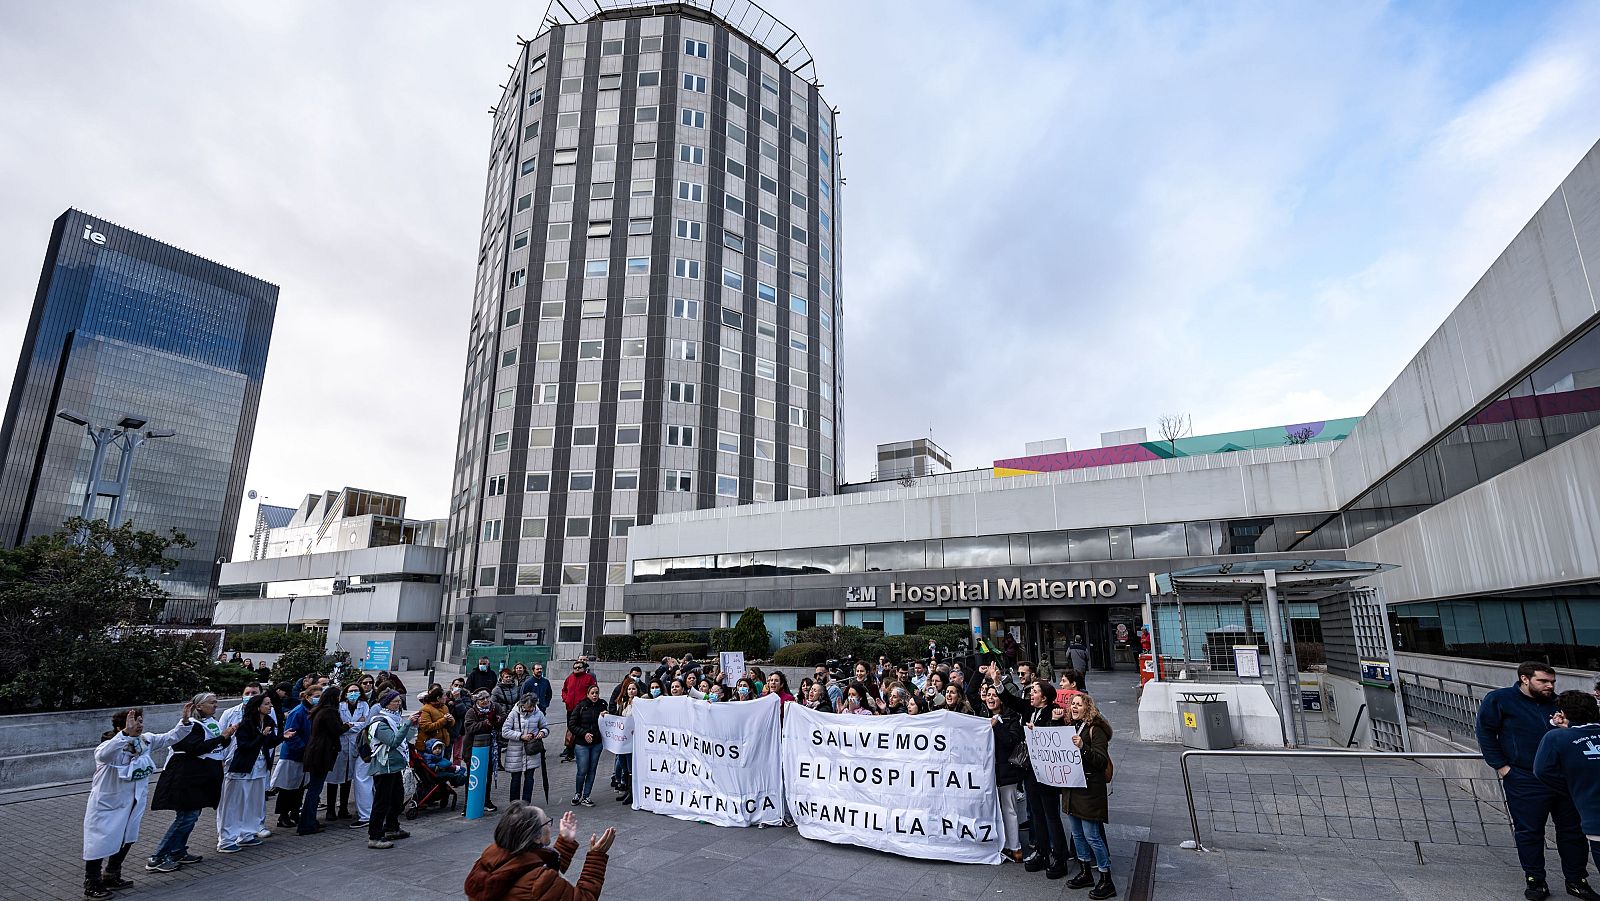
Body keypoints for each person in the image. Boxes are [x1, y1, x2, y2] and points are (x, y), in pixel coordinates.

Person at [1476, 662, 1594, 901]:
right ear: (1525, 679)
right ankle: (1536, 880)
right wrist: (1502, 767)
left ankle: (1576, 881)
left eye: (1552, 682)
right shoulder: (1500, 699)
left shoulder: (1558, 702)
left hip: (1563, 780)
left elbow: (1579, 730)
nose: (1550, 686)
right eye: (1543, 681)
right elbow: (1485, 732)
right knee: (1529, 832)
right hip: (1524, 778)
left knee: (1573, 832)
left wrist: (1566, 724)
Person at [82, 708, 190, 898]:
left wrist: (185, 722)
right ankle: (92, 882)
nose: (139, 725)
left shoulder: (145, 741)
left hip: (133, 802)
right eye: (134, 722)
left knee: (127, 838)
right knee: (100, 842)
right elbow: (104, 756)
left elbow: (170, 737)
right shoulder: (109, 745)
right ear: (120, 727)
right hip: (108, 803)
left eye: (140, 721)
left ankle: (112, 873)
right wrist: (125, 734)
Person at [149, 693, 237, 871]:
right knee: (186, 817)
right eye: (212, 703)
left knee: (191, 816)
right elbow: (195, 748)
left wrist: (226, 737)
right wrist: (222, 737)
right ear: (199, 706)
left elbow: (216, 746)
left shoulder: (210, 723)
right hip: (186, 777)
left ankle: (177, 851)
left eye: (216, 702)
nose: (215, 706)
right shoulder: (190, 726)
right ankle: (157, 857)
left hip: (200, 776)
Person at [463, 805, 613, 901]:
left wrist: (565, 843)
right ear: (536, 837)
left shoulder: (488, 860)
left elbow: (536, 870)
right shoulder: (538, 881)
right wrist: (596, 857)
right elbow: (584, 898)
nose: (550, 825)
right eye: (547, 822)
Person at [1005, 679, 1072, 879]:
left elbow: (1057, 739)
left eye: (1034, 691)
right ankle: (1042, 852)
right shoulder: (1029, 709)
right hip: (1031, 773)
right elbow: (1010, 700)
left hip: (1048, 774)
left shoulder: (1054, 711)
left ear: (1044, 697)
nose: (1031, 695)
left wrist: (1047, 725)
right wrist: (998, 683)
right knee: (1037, 814)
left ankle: (1059, 856)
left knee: (1051, 816)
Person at [1536, 691, 1600, 884]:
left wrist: (1572, 788)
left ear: (1563, 713)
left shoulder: (1556, 738)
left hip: (1594, 817)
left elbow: (1542, 771)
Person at [1063, 693, 1117, 898]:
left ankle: (1106, 878)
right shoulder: (1072, 726)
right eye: (1072, 704)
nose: (1074, 707)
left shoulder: (1096, 730)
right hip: (1073, 789)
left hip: (1089, 791)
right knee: (1077, 833)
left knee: (1092, 835)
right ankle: (1085, 871)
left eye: (1079, 704)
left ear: (1088, 708)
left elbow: (1101, 761)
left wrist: (1083, 747)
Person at [217, 693, 286, 852]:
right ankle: (227, 840)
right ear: (257, 707)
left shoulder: (268, 722)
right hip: (243, 768)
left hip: (260, 768)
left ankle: (247, 834)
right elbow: (245, 746)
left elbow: (269, 743)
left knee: (253, 803)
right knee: (234, 804)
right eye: (267, 704)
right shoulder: (245, 725)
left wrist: (283, 737)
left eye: (270, 703)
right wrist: (261, 736)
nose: (270, 706)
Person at [366, 689, 419, 849]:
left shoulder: (393, 719)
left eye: (399, 701)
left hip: (395, 766)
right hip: (384, 767)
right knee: (382, 801)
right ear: (386, 704)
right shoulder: (379, 723)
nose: (399, 704)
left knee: (397, 799)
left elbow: (405, 738)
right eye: (395, 701)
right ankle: (374, 836)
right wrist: (407, 723)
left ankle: (392, 827)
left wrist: (412, 726)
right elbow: (394, 741)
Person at [982, 684, 1027, 863]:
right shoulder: (982, 716)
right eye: (988, 695)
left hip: (1007, 772)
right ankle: (999, 844)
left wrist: (997, 726)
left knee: (1009, 809)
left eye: (994, 695)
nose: (990, 698)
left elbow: (1011, 741)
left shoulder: (1011, 718)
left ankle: (1015, 847)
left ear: (1001, 699)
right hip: (989, 773)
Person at [270, 684, 321, 828]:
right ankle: (283, 816)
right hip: (293, 755)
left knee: (300, 787)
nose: (318, 699)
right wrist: (304, 749)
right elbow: (291, 734)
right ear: (307, 697)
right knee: (287, 787)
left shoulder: (313, 711)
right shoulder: (298, 711)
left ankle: (294, 812)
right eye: (316, 696)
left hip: (305, 755)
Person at [297, 688, 345, 834]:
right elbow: (336, 730)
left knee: (314, 789)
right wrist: (347, 726)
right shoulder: (329, 712)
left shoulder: (318, 710)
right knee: (314, 790)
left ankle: (309, 820)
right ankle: (307, 823)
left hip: (316, 753)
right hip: (321, 754)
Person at [332, 681, 372, 827]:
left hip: (355, 744)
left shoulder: (364, 705)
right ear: (346, 693)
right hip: (341, 743)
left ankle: (343, 808)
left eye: (356, 691)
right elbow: (339, 725)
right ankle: (331, 809)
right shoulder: (340, 706)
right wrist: (353, 725)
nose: (353, 693)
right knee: (335, 777)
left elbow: (365, 724)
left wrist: (349, 725)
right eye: (351, 691)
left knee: (349, 778)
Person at [503, 694, 551, 805]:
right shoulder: (514, 713)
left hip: (531, 751)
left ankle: (526, 803)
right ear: (522, 704)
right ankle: (514, 804)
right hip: (515, 752)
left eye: (533, 706)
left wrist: (542, 733)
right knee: (515, 779)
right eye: (529, 707)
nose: (531, 709)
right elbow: (505, 731)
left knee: (529, 778)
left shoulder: (538, 713)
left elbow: (545, 727)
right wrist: (521, 736)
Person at [464, 690, 503, 813]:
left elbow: (503, 718)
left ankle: (486, 800)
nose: (485, 701)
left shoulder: (495, 707)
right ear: (476, 701)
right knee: (472, 777)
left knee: (488, 775)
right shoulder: (471, 712)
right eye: (482, 699)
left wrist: (498, 720)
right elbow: (470, 728)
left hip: (490, 747)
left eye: (487, 697)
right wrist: (486, 723)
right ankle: (468, 803)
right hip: (473, 749)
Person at [569, 683, 607, 807]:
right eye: (592, 693)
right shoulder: (581, 706)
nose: (595, 695)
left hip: (597, 743)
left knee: (592, 769)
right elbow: (572, 724)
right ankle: (577, 793)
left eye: (597, 693)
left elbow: (609, 722)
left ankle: (586, 795)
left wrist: (606, 715)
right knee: (582, 770)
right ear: (587, 694)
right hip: (582, 744)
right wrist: (584, 733)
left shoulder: (602, 704)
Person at [561, 661, 598, 763]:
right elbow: (564, 690)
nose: (577, 669)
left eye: (579, 667)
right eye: (575, 667)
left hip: (583, 709)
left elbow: (594, 690)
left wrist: (587, 702)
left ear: (584, 668)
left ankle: (580, 751)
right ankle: (570, 752)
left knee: (580, 730)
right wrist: (566, 699)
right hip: (570, 708)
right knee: (571, 729)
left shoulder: (589, 678)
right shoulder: (569, 678)